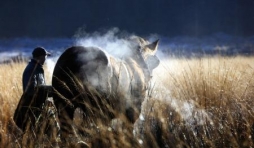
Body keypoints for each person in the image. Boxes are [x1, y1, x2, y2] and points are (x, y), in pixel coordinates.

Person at [14, 47, 53, 131]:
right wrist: (52, 90)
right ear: (40, 57)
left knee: (49, 128)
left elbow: (40, 88)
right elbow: (32, 90)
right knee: (35, 131)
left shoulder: (38, 68)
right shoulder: (31, 69)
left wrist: (47, 98)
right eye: (45, 56)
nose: (46, 58)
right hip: (32, 108)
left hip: (38, 106)